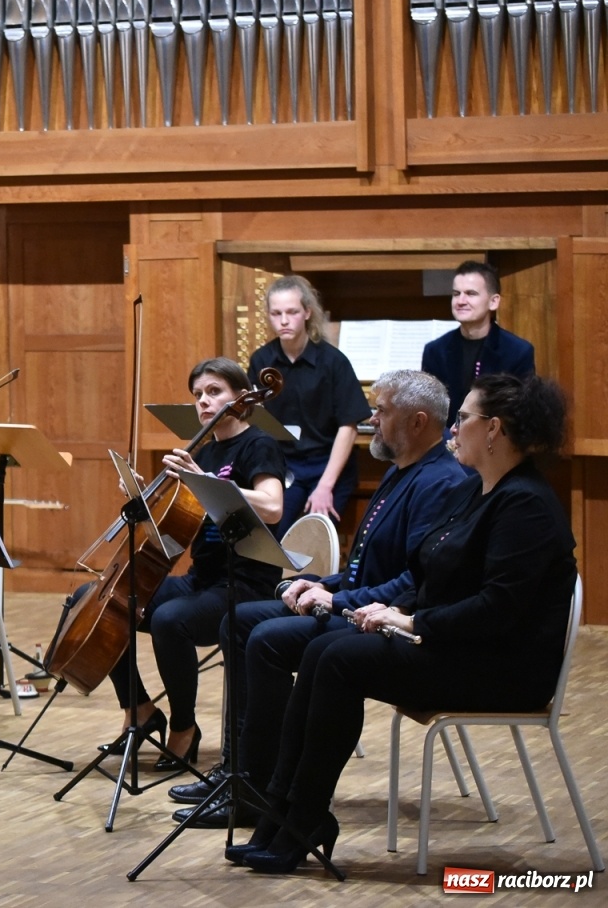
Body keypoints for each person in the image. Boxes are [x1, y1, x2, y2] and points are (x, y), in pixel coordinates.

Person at [231, 374, 577, 873]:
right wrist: (386, 609)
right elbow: (429, 572)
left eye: (463, 419)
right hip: (460, 645)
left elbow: (499, 609)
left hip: (504, 668)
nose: (454, 429)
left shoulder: (524, 503)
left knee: (339, 659)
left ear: (495, 429)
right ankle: (282, 817)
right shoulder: (481, 490)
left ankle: (300, 818)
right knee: (323, 651)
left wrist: (412, 620)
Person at [170, 369, 468, 826]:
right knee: (240, 620)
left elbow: (413, 582)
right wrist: (320, 583)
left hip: (388, 623)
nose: (370, 420)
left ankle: (256, 788)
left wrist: (340, 601)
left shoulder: (440, 481)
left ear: (417, 422)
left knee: (267, 638)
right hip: (359, 603)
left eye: (381, 411)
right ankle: (238, 771)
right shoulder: (401, 470)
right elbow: (365, 564)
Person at [77, 358, 286, 769]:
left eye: (214, 392)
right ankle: (138, 710)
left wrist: (202, 480)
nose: (204, 402)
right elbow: (181, 526)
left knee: (169, 620)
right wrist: (144, 497)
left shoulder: (258, 444)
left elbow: (274, 507)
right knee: (97, 598)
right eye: (198, 395)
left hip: (243, 583)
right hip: (202, 578)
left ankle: (184, 728)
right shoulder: (207, 450)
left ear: (241, 397)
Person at [247, 275, 372, 535]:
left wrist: (325, 486)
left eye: (291, 312)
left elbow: (348, 427)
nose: (283, 320)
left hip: (326, 464)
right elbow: (255, 419)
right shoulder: (262, 360)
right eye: (276, 313)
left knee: (314, 535)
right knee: (273, 531)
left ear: (307, 312)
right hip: (285, 466)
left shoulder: (333, 362)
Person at [421, 261, 535, 428]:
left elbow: (519, 415)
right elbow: (430, 411)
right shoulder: (435, 351)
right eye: (456, 293)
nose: (460, 301)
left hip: (496, 446)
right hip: (446, 447)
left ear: (493, 302)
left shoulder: (518, 351)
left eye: (471, 293)